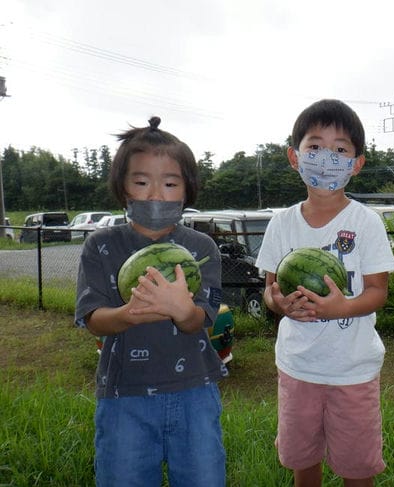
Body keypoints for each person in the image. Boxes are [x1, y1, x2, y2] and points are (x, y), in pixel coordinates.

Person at [75, 116, 227, 486]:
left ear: (187, 190)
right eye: (141, 182)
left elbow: (200, 320)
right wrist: (129, 314)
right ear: (123, 188)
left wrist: (182, 309)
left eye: (170, 183)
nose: (156, 194)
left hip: (194, 390)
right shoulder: (101, 245)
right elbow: (93, 317)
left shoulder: (202, 248)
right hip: (123, 396)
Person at [255, 99, 394, 487]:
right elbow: (270, 289)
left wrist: (343, 307)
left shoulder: (366, 223)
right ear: (294, 156)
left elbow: (377, 291)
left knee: (357, 466)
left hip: (353, 368)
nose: (326, 158)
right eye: (314, 146)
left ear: (357, 164)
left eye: (340, 150)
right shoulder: (281, 224)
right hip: (298, 366)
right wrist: (278, 304)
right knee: (304, 458)